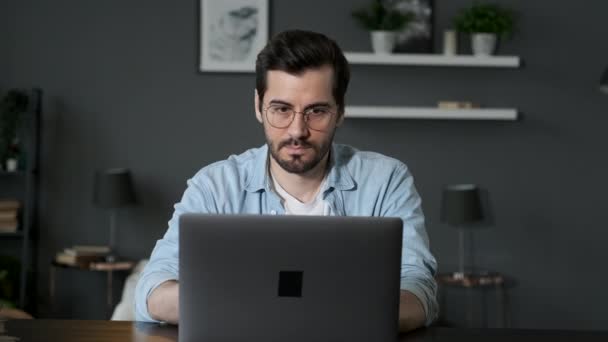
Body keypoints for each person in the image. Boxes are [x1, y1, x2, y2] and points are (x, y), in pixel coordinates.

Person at [135, 29, 438, 332]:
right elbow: (152, 290)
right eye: (281, 109)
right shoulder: (214, 186)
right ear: (258, 106)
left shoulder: (386, 180)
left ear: (340, 111)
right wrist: (271, 308)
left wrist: (282, 311)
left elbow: (419, 292)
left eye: (316, 111)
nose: (297, 131)